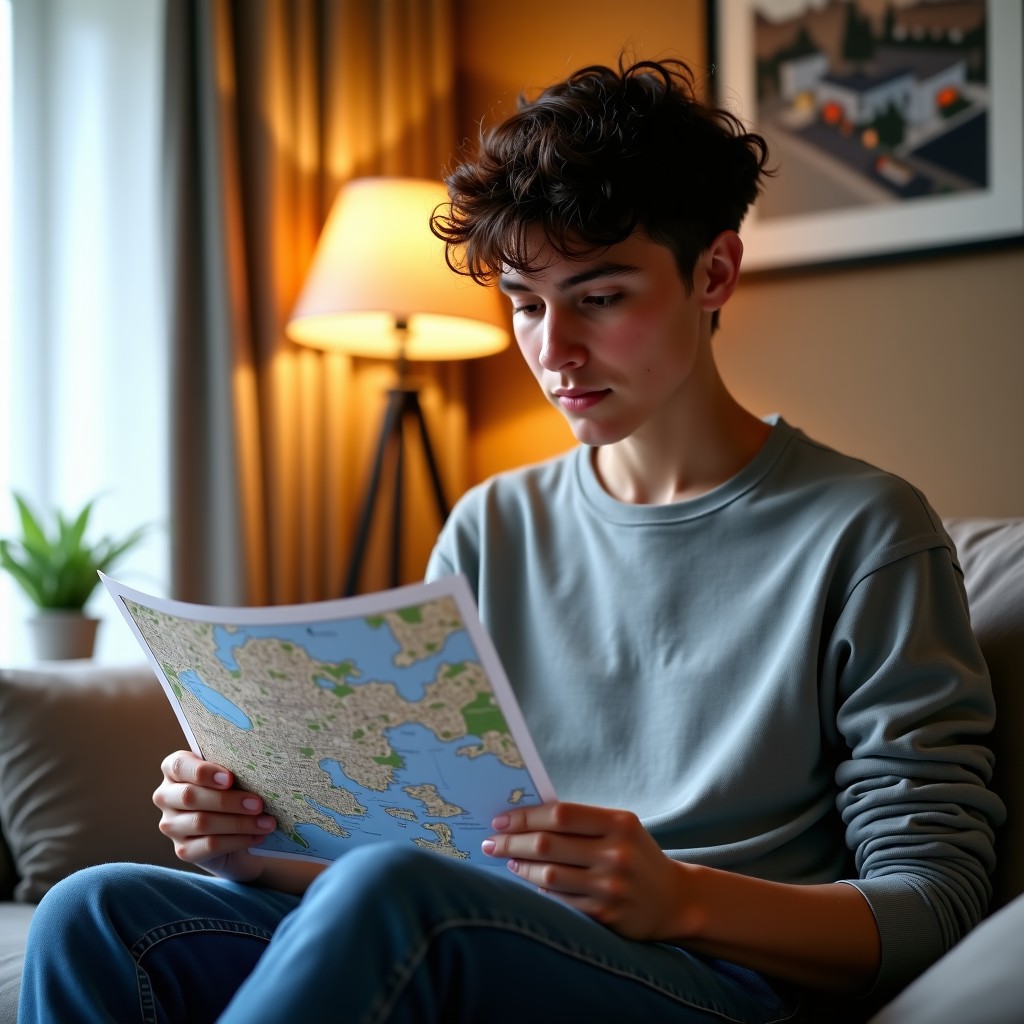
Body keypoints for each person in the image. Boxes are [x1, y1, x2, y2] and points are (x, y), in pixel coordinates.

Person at [18, 57, 1004, 1024]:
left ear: (714, 271)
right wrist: (249, 841)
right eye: (525, 303)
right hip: (487, 928)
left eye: (600, 296)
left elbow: (936, 903)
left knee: (397, 898)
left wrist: (683, 898)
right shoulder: (492, 524)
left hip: (716, 977)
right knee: (98, 908)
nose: (552, 349)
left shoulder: (867, 529)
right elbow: (426, 844)